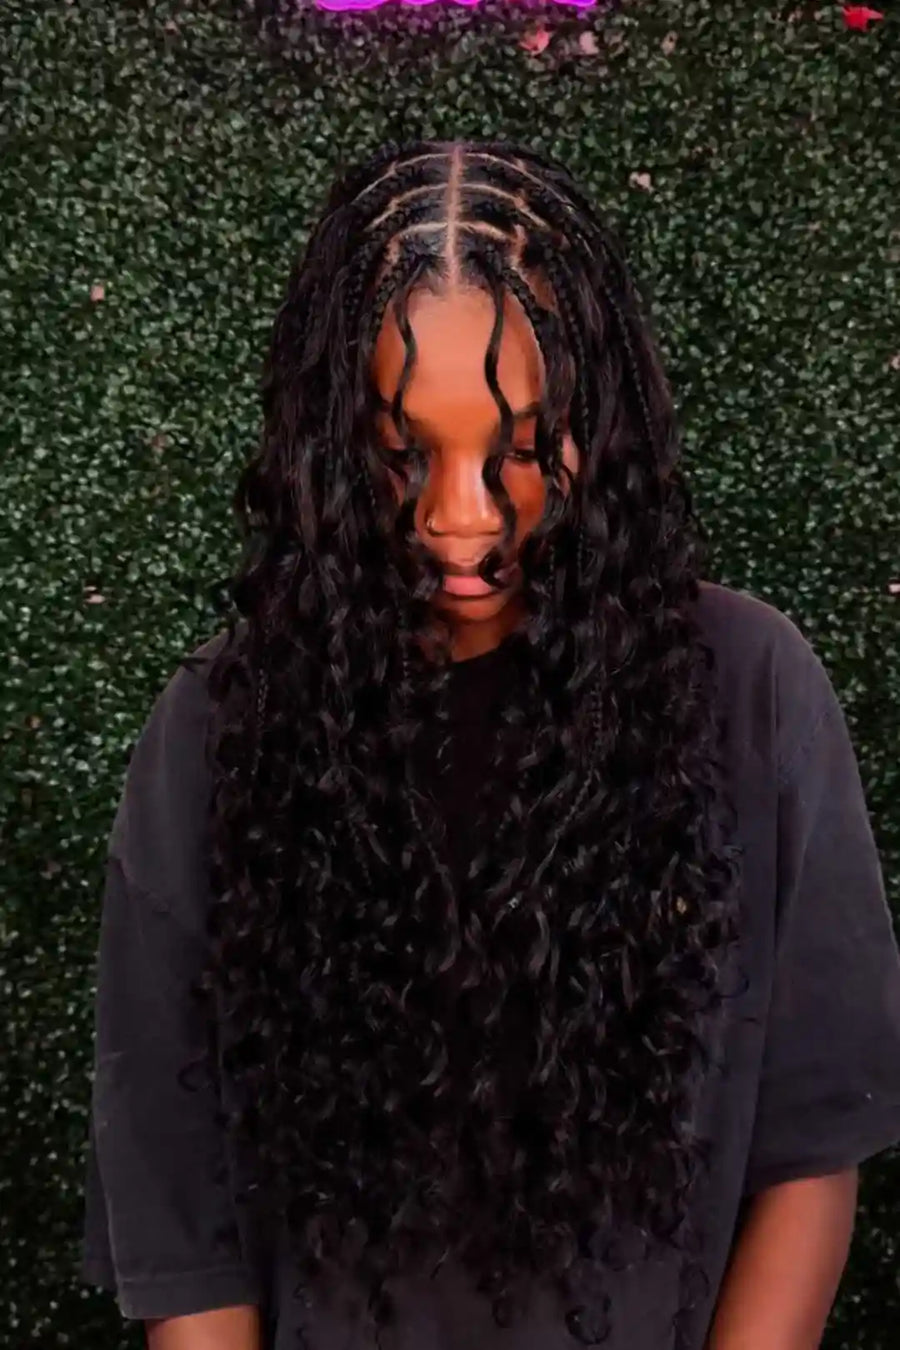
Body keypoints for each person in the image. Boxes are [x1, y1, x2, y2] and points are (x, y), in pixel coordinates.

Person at [79, 138, 900, 1350]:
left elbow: (812, 1142)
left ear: (602, 422)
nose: (461, 519)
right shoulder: (219, 730)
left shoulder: (749, 690)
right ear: (325, 445)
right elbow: (180, 1212)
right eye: (401, 451)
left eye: (522, 447)